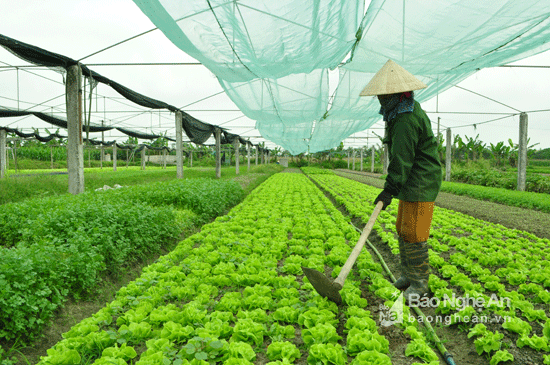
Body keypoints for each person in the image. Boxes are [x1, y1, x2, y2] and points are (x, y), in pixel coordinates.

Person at [360, 59, 442, 302]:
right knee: (403, 228)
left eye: (383, 95)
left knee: (415, 232)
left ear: (395, 94)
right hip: (410, 180)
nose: (380, 100)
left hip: (420, 181)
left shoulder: (406, 118)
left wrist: (389, 190)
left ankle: (420, 285)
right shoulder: (400, 112)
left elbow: (402, 158)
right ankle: (408, 276)